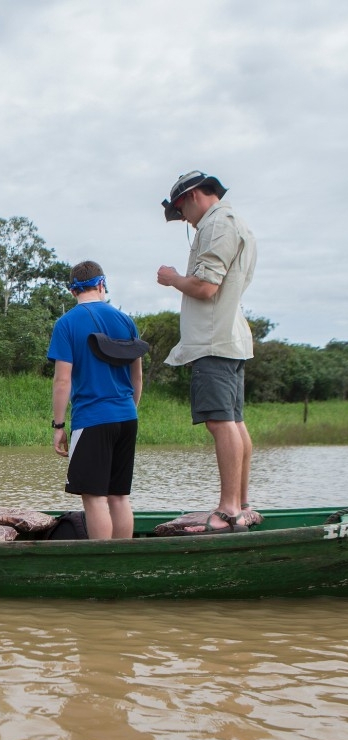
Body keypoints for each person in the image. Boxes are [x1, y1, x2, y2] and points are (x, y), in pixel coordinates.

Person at [157, 170, 257, 534]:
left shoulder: (217, 225)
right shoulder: (234, 222)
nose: (182, 217)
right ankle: (242, 504)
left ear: (194, 195)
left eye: (181, 209)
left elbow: (204, 287)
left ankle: (229, 508)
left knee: (220, 422)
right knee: (233, 421)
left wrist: (172, 279)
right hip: (229, 338)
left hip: (213, 340)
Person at [47, 261, 143, 539]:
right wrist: (129, 410)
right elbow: (137, 378)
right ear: (102, 285)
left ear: (72, 290)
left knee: (94, 498)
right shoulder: (126, 321)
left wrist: (58, 425)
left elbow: (62, 380)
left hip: (92, 419)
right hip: (127, 416)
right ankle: (122, 563)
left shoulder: (66, 324)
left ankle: (102, 563)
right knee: (119, 497)